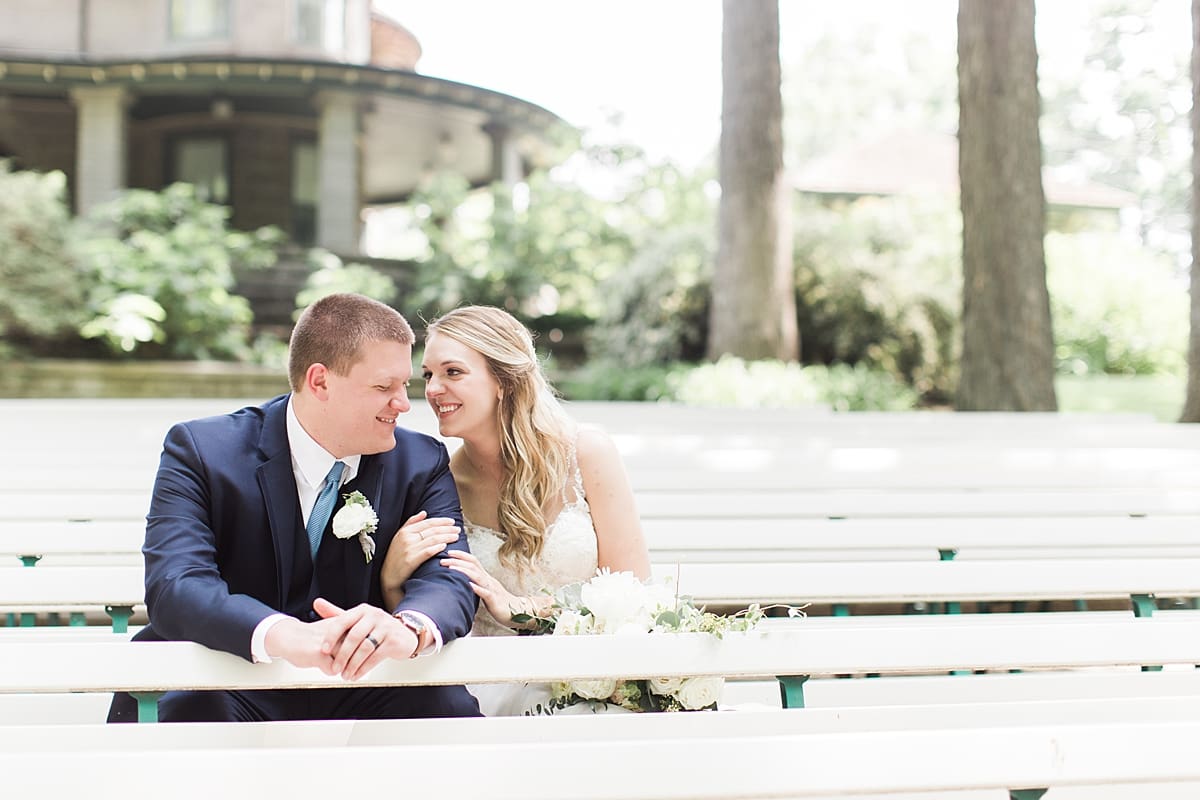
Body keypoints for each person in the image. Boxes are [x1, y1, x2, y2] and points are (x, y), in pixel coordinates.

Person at [108, 293, 480, 723]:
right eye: (384, 387)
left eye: (404, 385)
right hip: (227, 673)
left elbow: (450, 578)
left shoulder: (421, 462)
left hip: (365, 681)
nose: (403, 403)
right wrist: (284, 635)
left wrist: (408, 627)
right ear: (320, 381)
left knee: (445, 709)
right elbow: (177, 585)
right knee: (191, 714)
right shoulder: (203, 451)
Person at [381, 305, 650, 716]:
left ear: (503, 381)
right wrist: (391, 582)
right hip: (490, 688)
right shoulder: (441, 483)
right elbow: (437, 611)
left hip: (595, 676)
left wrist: (523, 609)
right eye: (428, 375)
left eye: (453, 372)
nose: (433, 389)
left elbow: (635, 598)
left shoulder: (587, 453)